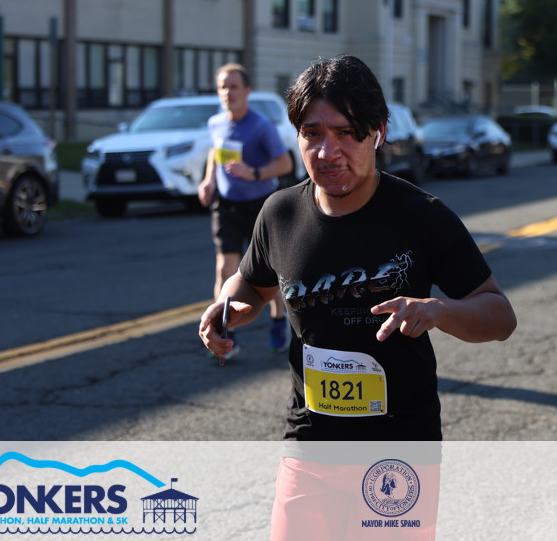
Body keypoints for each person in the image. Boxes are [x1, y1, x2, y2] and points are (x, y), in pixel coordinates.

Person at [198, 55, 516, 536]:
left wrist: (439, 311)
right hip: (310, 446)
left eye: (346, 133)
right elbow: (253, 283)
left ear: (378, 133)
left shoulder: (422, 217)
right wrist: (229, 306)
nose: (328, 151)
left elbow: (500, 317)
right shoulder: (280, 214)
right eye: (312, 133)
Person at [197, 63, 294, 359]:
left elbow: (285, 164)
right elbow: (215, 151)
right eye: (222, 87)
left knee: (266, 274)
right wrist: (208, 180)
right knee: (224, 269)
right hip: (227, 204)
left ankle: (278, 320)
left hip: (260, 205)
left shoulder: (261, 127)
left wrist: (253, 173)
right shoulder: (216, 123)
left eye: (234, 86)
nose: (228, 92)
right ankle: (225, 333)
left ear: (247, 90)